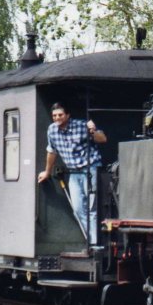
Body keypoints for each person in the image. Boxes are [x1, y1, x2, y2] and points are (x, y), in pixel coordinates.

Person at [37, 102, 107, 245]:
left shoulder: (81, 125)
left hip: (90, 169)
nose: (57, 118)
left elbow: (103, 139)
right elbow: (51, 151)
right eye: (54, 115)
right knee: (77, 208)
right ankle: (92, 241)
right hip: (74, 173)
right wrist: (47, 171)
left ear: (67, 115)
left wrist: (93, 131)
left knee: (92, 208)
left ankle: (94, 244)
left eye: (60, 115)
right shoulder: (52, 130)